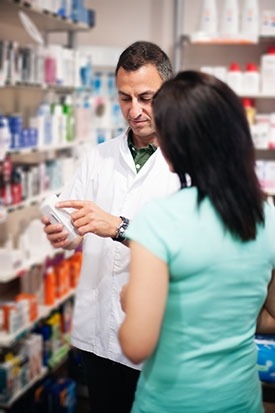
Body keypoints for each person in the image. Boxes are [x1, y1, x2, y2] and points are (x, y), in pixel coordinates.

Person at [118, 70, 275, 413]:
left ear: (176, 143)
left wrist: (131, 297)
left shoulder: (159, 220)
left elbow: (136, 344)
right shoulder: (265, 212)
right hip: (242, 401)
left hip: (172, 402)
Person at [41, 41, 180, 413]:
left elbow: (189, 249)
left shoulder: (188, 161)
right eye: (125, 98)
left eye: (146, 97)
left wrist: (119, 226)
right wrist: (64, 232)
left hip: (158, 337)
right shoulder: (97, 157)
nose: (134, 111)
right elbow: (75, 230)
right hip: (100, 331)